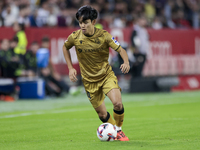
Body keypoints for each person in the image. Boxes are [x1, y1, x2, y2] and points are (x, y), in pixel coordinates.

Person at [63, 5, 130, 141]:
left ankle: (118, 130)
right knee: (101, 114)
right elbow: (65, 47)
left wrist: (126, 62)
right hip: (89, 81)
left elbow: (121, 49)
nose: (82, 25)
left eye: (85, 22)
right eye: (80, 22)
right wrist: (70, 68)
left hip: (106, 76)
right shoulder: (75, 37)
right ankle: (114, 133)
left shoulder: (104, 36)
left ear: (93, 22)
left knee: (117, 103)